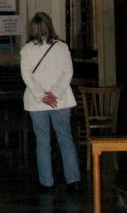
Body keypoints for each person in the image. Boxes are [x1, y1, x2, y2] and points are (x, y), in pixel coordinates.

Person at [20, 11, 81, 191]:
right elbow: (67, 72)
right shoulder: (61, 47)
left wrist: (42, 95)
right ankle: (73, 179)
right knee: (65, 137)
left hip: (37, 103)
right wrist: (55, 93)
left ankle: (47, 181)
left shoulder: (27, 50)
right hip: (60, 101)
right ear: (50, 26)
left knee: (43, 140)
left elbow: (27, 76)